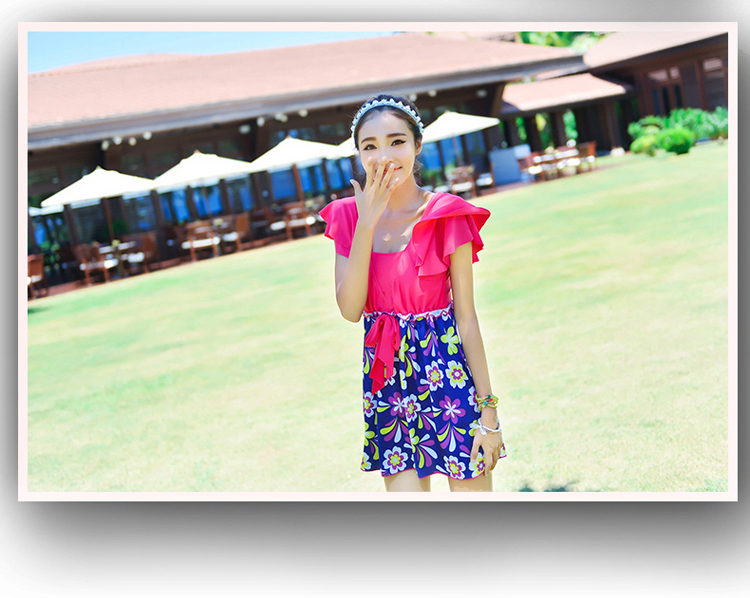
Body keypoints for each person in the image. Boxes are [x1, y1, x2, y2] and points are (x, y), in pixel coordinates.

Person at [319, 94, 506, 492]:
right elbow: (350, 310)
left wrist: (488, 413)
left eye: (397, 141)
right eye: (370, 146)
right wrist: (367, 223)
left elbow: (466, 318)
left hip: (448, 377)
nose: (384, 156)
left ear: (417, 145)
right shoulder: (347, 216)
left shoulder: (446, 214)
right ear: (358, 154)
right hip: (388, 385)